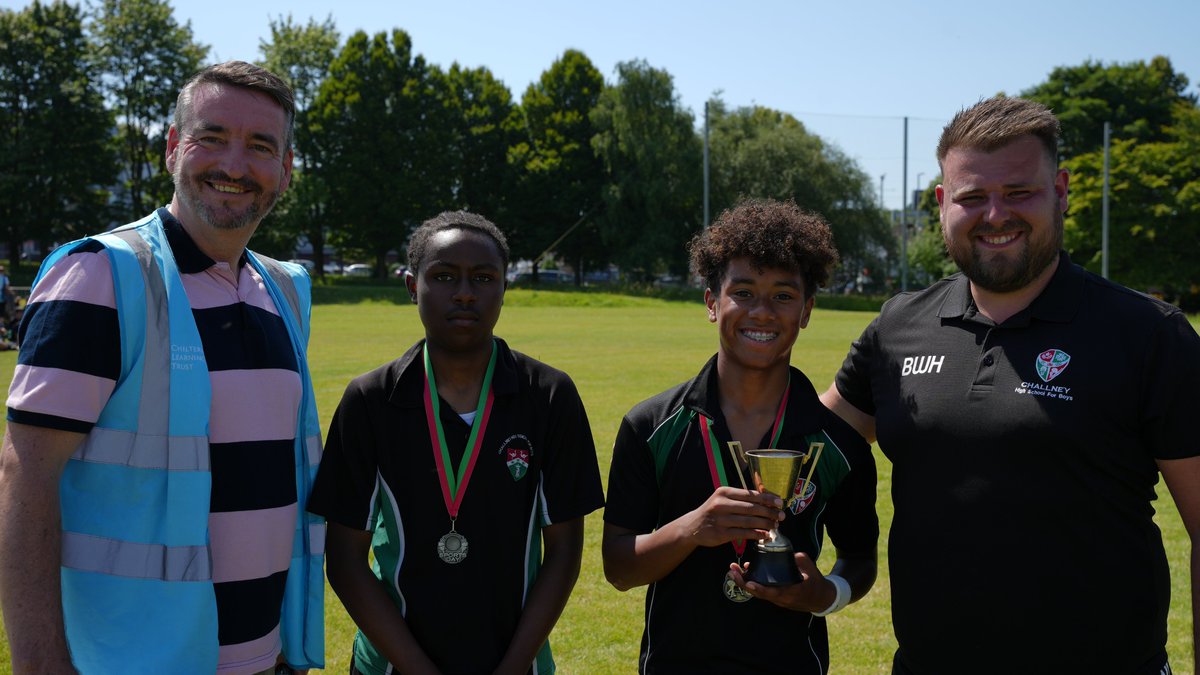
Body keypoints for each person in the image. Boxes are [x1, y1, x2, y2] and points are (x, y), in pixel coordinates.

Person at [821, 96, 1200, 674]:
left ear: (1062, 190)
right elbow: (809, 448)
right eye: (972, 197)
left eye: (1019, 192)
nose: (995, 214)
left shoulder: (1149, 334)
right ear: (943, 203)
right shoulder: (899, 325)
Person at [0, 61, 324, 674]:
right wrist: (41, 663)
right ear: (174, 147)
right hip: (130, 662)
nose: (234, 164)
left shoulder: (285, 289)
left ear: (285, 171)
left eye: (261, 146)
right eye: (212, 136)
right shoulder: (100, 274)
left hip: (270, 659)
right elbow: (25, 476)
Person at [308, 210, 604, 675]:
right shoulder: (370, 400)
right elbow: (345, 559)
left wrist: (511, 667)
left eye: (483, 278)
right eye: (444, 276)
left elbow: (564, 551)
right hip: (391, 665)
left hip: (516, 663)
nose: (464, 292)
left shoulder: (549, 396)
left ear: (504, 288)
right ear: (412, 287)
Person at [603, 199, 879, 674]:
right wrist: (693, 529)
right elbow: (619, 568)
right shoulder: (650, 427)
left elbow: (860, 558)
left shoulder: (839, 445)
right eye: (744, 292)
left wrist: (826, 593)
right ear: (712, 302)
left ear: (808, 310)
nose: (763, 312)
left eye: (784, 296)